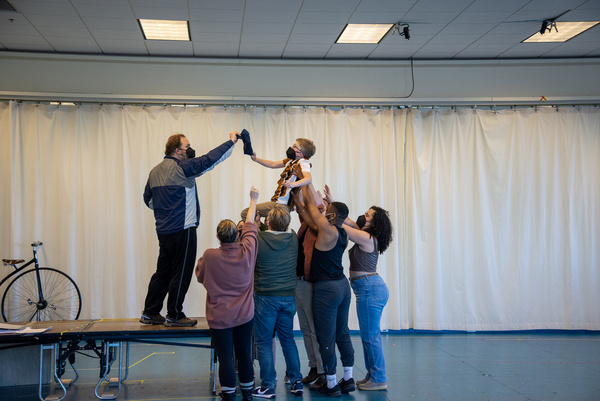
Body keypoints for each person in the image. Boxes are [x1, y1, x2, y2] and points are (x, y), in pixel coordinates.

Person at [141, 131, 240, 327]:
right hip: (184, 229)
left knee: (163, 272)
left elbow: (148, 199)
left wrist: (166, 211)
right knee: (181, 272)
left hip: (163, 231)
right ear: (177, 151)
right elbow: (210, 159)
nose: (190, 150)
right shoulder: (183, 168)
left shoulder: (154, 171)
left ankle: (150, 312)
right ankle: (175, 315)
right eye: (187, 147)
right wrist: (231, 141)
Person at [195, 187, 260, 401]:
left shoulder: (210, 256)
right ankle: (248, 395)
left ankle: (229, 396)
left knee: (225, 358)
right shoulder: (248, 250)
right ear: (238, 235)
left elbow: (199, 275)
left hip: (219, 317)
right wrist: (253, 199)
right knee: (244, 356)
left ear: (217, 236)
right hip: (244, 316)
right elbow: (250, 223)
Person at [294, 180, 355, 398]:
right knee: (343, 333)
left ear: (332, 216)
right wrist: (299, 206)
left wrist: (306, 180)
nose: (324, 213)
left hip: (327, 289)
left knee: (326, 336)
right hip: (342, 286)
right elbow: (311, 219)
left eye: (327, 212)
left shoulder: (327, 230)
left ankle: (330, 383)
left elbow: (312, 209)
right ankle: (348, 378)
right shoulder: (342, 232)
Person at [252, 207, 304, 398]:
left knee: (264, 342)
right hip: (288, 297)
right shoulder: (292, 238)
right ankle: (296, 381)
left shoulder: (258, 239)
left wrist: (255, 219)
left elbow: (249, 224)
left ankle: (267, 385)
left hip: (265, 297)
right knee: (288, 339)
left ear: (268, 222)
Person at [343, 206, 393, 391]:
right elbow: (348, 222)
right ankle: (372, 375)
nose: (364, 217)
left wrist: (332, 214)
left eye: (368, 215)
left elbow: (343, 226)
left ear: (374, 222)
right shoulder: (366, 235)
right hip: (367, 288)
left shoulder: (366, 238)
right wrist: (332, 202)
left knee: (370, 337)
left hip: (369, 289)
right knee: (368, 336)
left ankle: (379, 378)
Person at [290, 185, 326, 390]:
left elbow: (310, 212)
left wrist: (305, 184)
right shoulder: (305, 224)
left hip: (309, 281)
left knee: (312, 330)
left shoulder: (319, 223)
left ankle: (321, 370)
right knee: (305, 329)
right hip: (300, 281)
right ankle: (314, 366)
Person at [241, 138, 316, 219]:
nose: (291, 147)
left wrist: (293, 184)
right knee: (254, 217)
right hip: (277, 202)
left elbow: (308, 179)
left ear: (301, 154)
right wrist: (256, 159)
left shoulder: (303, 162)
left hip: (283, 205)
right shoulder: (291, 161)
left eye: (295, 146)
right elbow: (273, 164)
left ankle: (256, 231)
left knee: (246, 213)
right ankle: (258, 230)